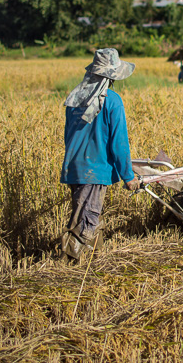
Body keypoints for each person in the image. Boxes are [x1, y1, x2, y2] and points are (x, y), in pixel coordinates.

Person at [60, 48, 140, 261]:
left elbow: (68, 136)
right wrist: (129, 177)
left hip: (75, 167)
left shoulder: (75, 99)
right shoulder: (112, 101)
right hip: (95, 169)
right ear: (111, 77)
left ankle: (95, 261)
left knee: (86, 214)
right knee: (85, 222)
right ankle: (70, 267)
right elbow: (119, 143)